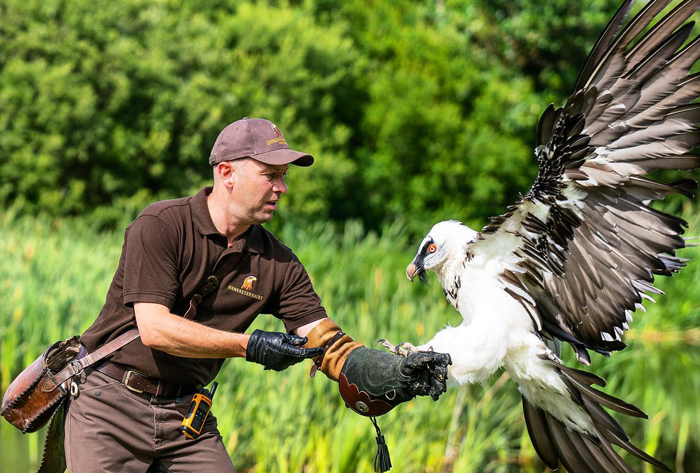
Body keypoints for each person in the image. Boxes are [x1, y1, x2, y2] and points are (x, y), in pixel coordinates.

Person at [64, 118, 451, 472]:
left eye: (284, 177)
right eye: (270, 175)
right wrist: (251, 346)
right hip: (109, 404)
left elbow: (324, 339)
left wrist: (389, 371)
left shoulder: (278, 262)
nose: (281, 187)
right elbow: (155, 328)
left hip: (185, 417)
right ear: (226, 173)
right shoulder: (161, 225)